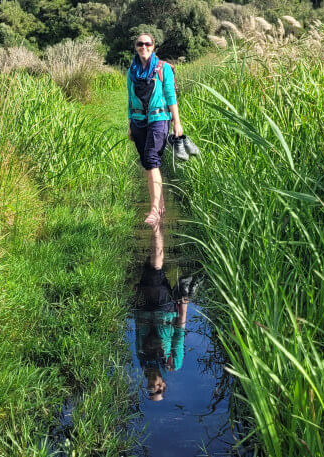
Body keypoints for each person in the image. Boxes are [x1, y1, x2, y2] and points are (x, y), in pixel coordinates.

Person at [127, 35, 183, 226]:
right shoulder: (131, 71)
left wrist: (177, 122)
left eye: (147, 44)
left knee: (151, 159)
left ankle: (154, 211)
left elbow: (170, 95)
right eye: (140, 44)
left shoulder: (163, 68)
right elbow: (130, 98)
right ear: (136, 47)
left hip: (159, 118)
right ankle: (159, 202)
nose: (144, 47)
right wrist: (129, 124)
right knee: (146, 162)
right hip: (138, 120)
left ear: (153, 47)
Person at [134, 221, 188, 402]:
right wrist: (184, 308)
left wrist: (136, 303)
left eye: (151, 391)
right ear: (163, 385)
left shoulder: (142, 363)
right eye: (158, 390)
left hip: (143, 307)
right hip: (164, 310)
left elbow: (138, 334)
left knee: (152, 264)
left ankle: (159, 220)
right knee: (155, 265)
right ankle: (156, 224)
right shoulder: (174, 364)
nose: (153, 388)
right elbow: (179, 335)